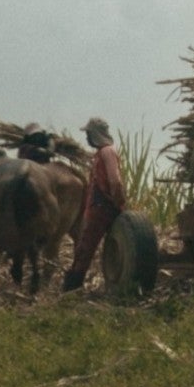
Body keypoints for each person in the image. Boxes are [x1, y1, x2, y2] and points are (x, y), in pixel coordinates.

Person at [61, 116, 128, 292]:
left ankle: (72, 288)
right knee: (86, 248)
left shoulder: (107, 152)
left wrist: (119, 203)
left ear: (95, 134)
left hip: (102, 209)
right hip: (101, 208)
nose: (87, 138)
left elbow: (115, 182)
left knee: (84, 249)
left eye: (88, 134)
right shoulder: (102, 153)